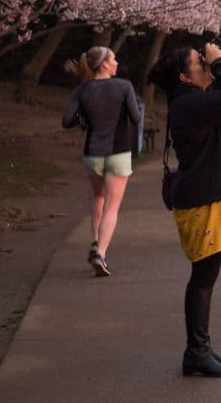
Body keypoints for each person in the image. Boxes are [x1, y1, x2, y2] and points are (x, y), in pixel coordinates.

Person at [146, 40, 221, 378]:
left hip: (211, 197)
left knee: (206, 278)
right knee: (203, 279)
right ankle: (196, 351)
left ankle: (200, 348)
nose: (205, 62)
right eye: (199, 61)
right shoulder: (188, 105)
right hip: (204, 202)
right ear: (184, 77)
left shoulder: (196, 101)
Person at [62, 46, 142, 277]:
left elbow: (67, 121)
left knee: (99, 196)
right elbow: (136, 118)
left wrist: (86, 117)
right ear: (105, 64)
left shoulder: (82, 89)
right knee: (112, 206)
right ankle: (101, 253)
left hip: (93, 153)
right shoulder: (124, 86)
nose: (117, 63)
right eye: (114, 59)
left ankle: (95, 241)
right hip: (118, 151)